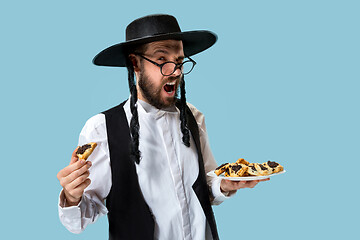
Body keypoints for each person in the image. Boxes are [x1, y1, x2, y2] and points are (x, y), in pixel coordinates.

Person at [57, 14, 269, 240]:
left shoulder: (193, 117)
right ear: (135, 63)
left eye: (179, 61)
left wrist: (225, 184)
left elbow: (206, 189)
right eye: (162, 60)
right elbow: (79, 220)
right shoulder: (102, 129)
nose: (176, 71)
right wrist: (72, 196)